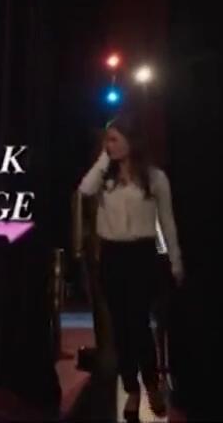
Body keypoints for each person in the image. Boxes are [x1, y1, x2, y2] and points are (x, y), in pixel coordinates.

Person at [78, 112, 184, 422]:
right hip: (112, 256)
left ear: (130, 140)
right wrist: (103, 159)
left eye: (113, 140)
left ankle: (150, 383)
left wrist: (175, 260)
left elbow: (167, 221)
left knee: (138, 324)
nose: (108, 145)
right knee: (120, 328)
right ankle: (131, 389)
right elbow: (84, 190)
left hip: (141, 255)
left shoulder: (155, 178)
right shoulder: (104, 177)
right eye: (106, 141)